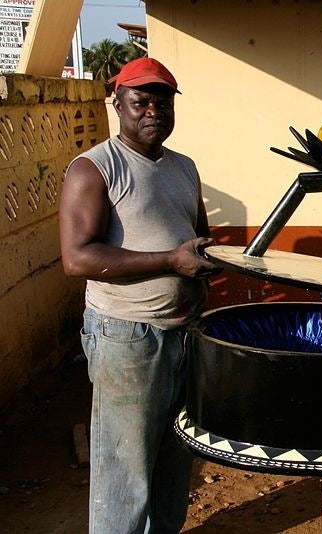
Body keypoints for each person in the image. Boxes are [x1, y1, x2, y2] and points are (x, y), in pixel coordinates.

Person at [59, 57, 219, 533]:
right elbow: (77, 258)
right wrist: (170, 262)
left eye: (163, 100)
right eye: (141, 100)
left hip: (182, 331)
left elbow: (197, 240)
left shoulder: (185, 167)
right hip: (125, 336)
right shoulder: (94, 168)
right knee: (124, 466)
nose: (153, 110)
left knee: (174, 456)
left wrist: (208, 269)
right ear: (119, 104)